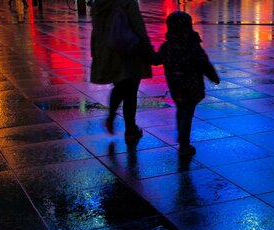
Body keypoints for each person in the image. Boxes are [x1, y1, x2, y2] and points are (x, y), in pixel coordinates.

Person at [152, 11, 220, 155]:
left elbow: (156, 59)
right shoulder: (193, 46)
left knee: (181, 109)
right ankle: (184, 144)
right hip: (192, 86)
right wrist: (213, 76)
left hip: (176, 87)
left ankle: (181, 135)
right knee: (188, 112)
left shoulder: (167, 47)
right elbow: (204, 62)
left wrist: (147, 53)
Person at [90, 0, 153, 138]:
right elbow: (137, 25)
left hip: (109, 51)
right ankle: (130, 129)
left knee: (119, 85)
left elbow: (96, 29)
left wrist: (96, 52)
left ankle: (112, 118)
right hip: (128, 48)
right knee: (130, 90)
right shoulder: (127, 1)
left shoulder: (98, 4)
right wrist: (147, 46)